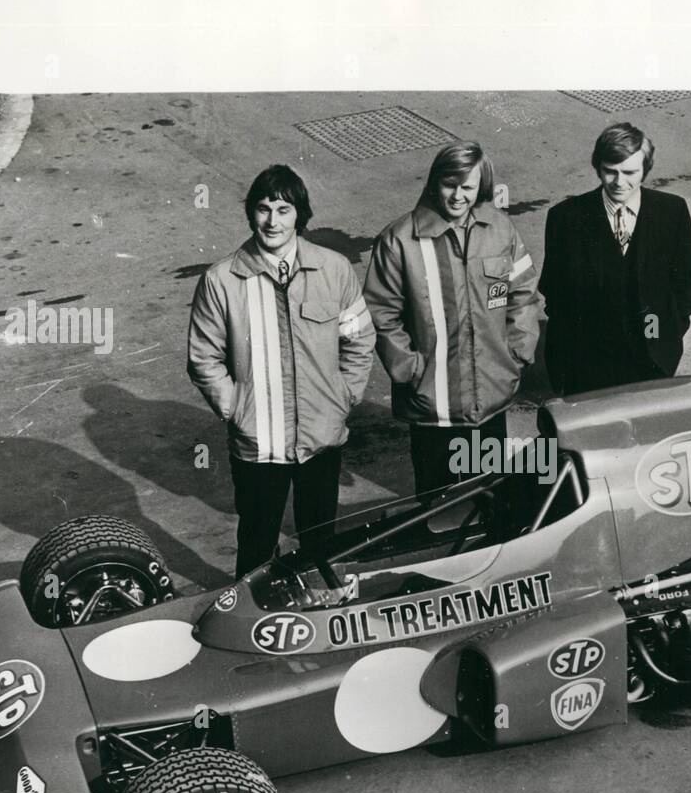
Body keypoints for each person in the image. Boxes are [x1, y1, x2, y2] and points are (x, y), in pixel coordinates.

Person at [188, 164, 375, 577]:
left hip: (321, 439)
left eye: (284, 209)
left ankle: (320, 614)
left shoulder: (335, 270)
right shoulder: (221, 281)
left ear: (299, 215)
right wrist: (236, 409)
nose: (272, 221)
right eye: (263, 208)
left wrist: (345, 397)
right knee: (256, 543)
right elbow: (203, 357)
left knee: (321, 543)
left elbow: (359, 339)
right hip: (258, 446)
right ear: (251, 214)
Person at [364, 141, 541, 499]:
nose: (458, 196)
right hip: (434, 412)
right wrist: (411, 371)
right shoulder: (399, 241)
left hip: (490, 403)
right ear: (433, 182)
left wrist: (517, 355)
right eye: (450, 184)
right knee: (436, 511)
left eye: (468, 187)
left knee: (491, 501)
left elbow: (523, 294)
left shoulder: (501, 230)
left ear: (482, 187)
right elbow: (380, 315)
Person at [540, 122, 691, 395]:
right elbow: (554, 290)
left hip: (651, 357)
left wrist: (669, 332)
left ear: (645, 170)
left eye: (630, 172)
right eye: (610, 171)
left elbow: (687, 281)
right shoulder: (565, 218)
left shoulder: (671, 211)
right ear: (598, 168)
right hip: (588, 364)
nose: (619, 182)